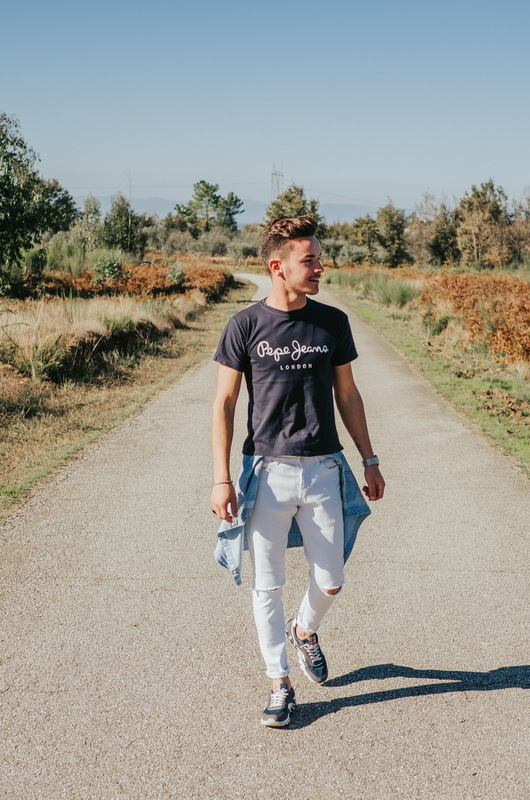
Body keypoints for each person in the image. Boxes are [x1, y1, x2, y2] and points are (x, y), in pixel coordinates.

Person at [210, 215, 385, 727]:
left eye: (319, 259)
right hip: (266, 471)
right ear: (277, 266)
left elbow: (347, 394)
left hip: (324, 468)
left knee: (331, 579)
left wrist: (369, 459)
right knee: (267, 584)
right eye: (310, 260)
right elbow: (224, 404)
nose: (320, 267)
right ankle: (279, 684)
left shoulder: (332, 322)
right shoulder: (245, 326)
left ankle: (304, 629)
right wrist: (222, 478)